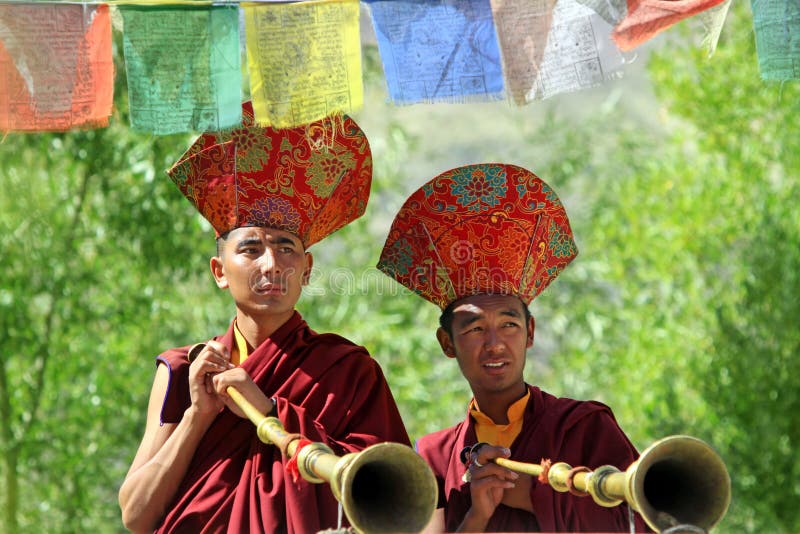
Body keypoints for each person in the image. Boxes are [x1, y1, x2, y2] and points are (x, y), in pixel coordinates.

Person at [118, 102, 411, 533]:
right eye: (251, 249)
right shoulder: (185, 369)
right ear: (220, 272)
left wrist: (270, 410)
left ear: (306, 270)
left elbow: (393, 497)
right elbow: (136, 515)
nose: (272, 264)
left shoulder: (348, 371)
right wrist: (199, 415)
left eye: (286, 247)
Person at [377, 163, 651, 532]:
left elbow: (640, 520)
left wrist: (527, 494)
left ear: (530, 333)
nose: (495, 345)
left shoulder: (585, 429)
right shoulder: (435, 455)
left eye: (508, 325)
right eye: (474, 329)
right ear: (447, 343)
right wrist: (477, 514)